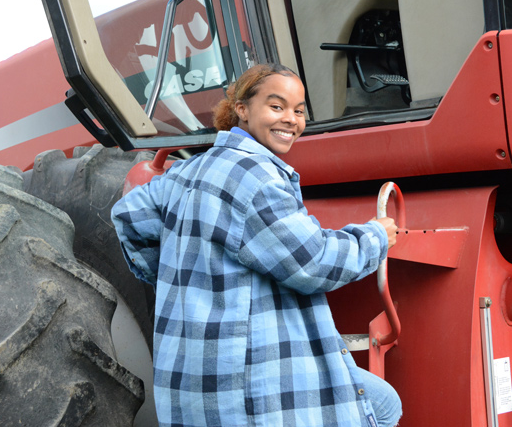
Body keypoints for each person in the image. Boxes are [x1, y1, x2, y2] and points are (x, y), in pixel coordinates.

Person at [112, 63, 402, 427]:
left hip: (192, 376)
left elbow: (129, 216)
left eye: (299, 111)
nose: (291, 120)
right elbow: (314, 263)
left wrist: (185, 281)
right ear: (243, 109)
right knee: (383, 408)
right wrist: (374, 237)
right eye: (276, 106)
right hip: (247, 387)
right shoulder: (256, 178)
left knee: (381, 401)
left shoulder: (188, 170)